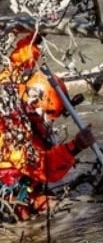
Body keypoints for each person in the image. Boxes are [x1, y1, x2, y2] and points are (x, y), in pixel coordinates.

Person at [0, 33, 95, 221]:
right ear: (35, 104)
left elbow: (19, 61)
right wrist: (74, 147)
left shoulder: (12, 86)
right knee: (26, 215)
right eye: (49, 115)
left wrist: (36, 35)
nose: (50, 121)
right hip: (8, 184)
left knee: (58, 207)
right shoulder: (12, 129)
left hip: (22, 179)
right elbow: (42, 168)